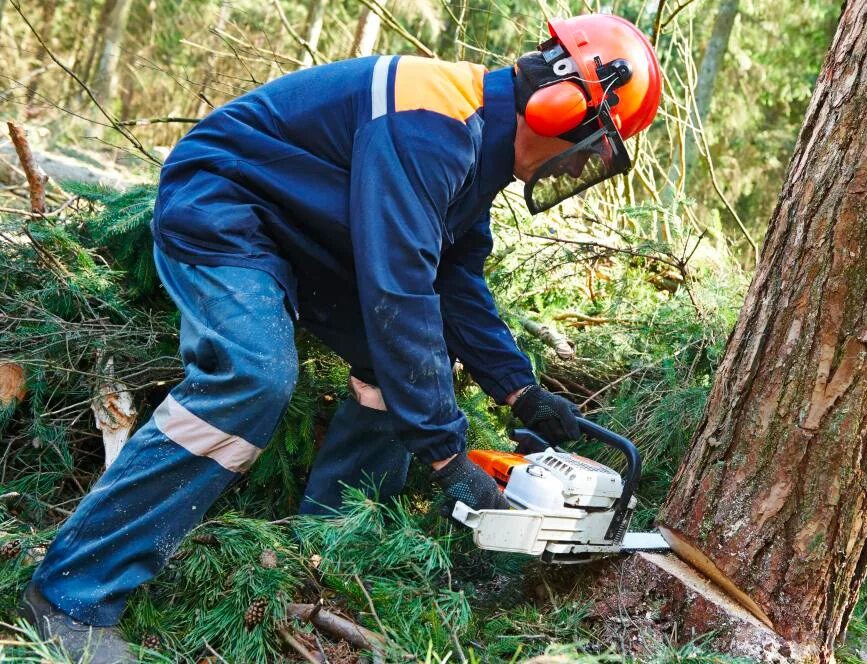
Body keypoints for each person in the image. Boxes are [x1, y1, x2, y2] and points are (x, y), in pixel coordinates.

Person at [21, 13, 662, 662]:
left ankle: (324, 554)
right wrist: (448, 458)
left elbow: (455, 280)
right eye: (592, 146)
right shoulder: (431, 122)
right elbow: (400, 292)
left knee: (394, 369)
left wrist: (521, 391)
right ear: (561, 108)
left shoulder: (475, 143)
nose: (583, 163)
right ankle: (71, 595)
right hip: (224, 205)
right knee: (253, 377)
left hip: (308, 237)